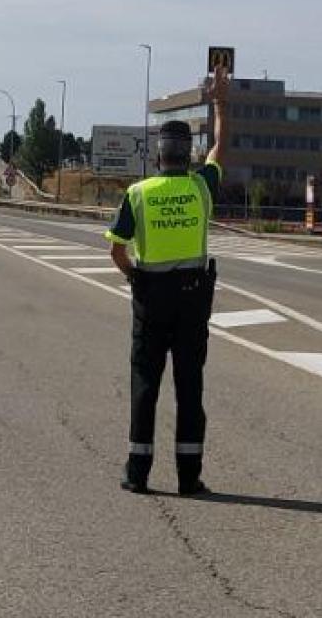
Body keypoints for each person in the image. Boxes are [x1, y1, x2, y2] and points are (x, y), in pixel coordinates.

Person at [105, 66, 230, 495]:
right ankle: (189, 478)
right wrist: (220, 103)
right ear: (187, 155)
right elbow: (219, 147)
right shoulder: (201, 188)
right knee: (190, 388)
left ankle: (137, 473)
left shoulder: (138, 193)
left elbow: (117, 250)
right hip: (193, 302)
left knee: (145, 385)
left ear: (158, 155)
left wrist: (135, 277)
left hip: (150, 301)